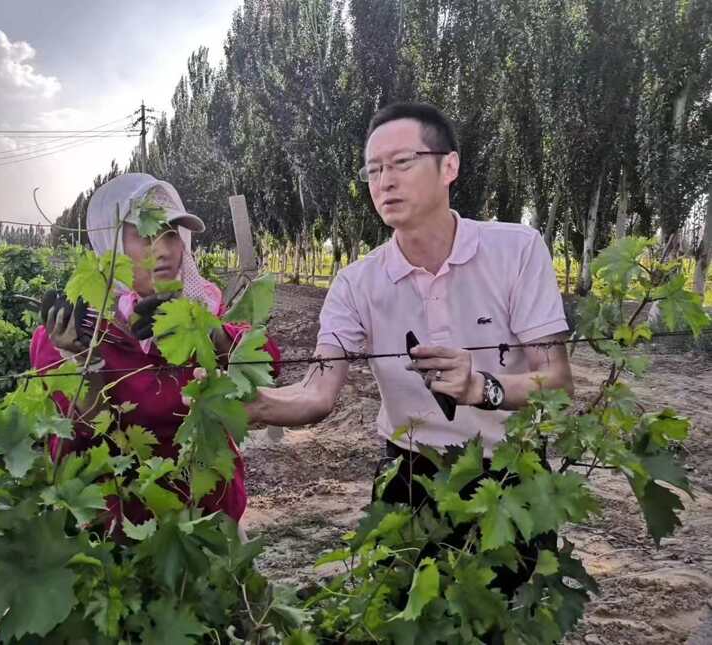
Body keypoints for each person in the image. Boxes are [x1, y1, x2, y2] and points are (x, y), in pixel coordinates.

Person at [246, 102, 573, 590]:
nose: (385, 181)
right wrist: (252, 404)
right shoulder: (356, 284)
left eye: (402, 163)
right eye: (374, 170)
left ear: (449, 166)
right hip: (408, 477)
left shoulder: (516, 250)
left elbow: (558, 383)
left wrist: (482, 386)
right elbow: (317, 392)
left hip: (509, 476)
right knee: (405, 618)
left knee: (510, 619)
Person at [30, 172, 280, 530]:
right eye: (144, 235)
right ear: (109, 244)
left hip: (210, 517)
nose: (162, 249)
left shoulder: (202, 308)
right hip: (118, 530)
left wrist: (205, 332)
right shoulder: (73, 333)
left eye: (170, 234)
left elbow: (267, 363)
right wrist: (83, 361)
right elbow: (89, 430)